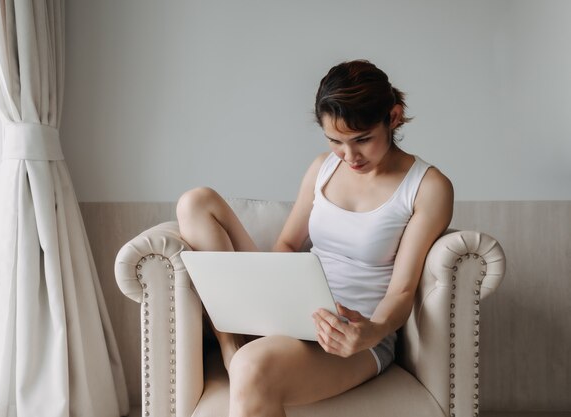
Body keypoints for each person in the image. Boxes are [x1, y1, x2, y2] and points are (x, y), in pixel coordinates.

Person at [175, 59, 454, 417]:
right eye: (335, 141)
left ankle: (242, 357)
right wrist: (272, 304)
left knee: (253, 367)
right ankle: (232, 346)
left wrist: (371, 331)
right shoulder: (322, 167)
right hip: (291, 312)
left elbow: (401, 290)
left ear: (394, 117)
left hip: (353, 336)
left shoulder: (428, 187)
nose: (350, 156)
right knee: (197, 202)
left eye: (362, 140)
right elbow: (289, 245)